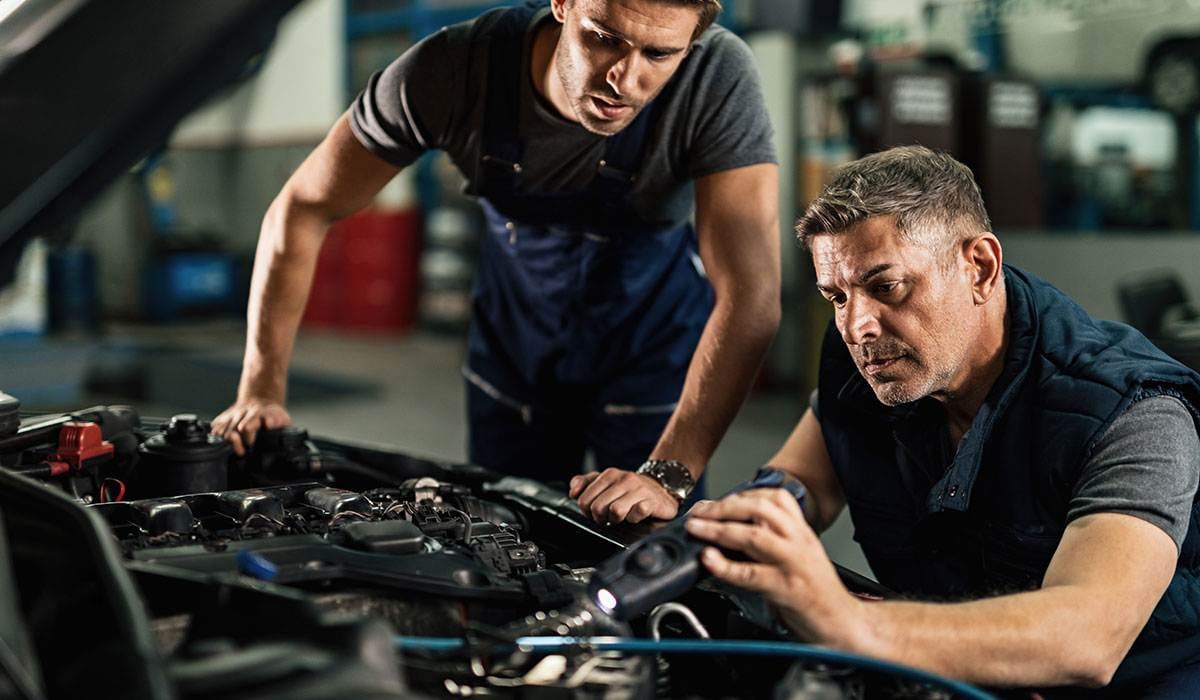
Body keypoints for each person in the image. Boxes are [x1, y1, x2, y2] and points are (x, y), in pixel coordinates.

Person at [210, 0, 781, 525]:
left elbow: (750, 294)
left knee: (654, 567)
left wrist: (670, 471)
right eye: (603, 38)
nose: (624, 79)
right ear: (562, 3)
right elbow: (302, 208)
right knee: (508, 548)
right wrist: (260, 386)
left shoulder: (716, 77)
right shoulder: (453, 72)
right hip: (516, 351)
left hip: (654, 355)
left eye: (659, 54)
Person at [686, 145, 1200, 694]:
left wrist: (851, 622)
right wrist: (729, 520)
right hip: (953, 666)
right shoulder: (874, 365)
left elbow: (1087, 638)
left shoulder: (1133, 414)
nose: (857, 326)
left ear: (979, 267)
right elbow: (806, 479)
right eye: (837, 296)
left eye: (887, 287)